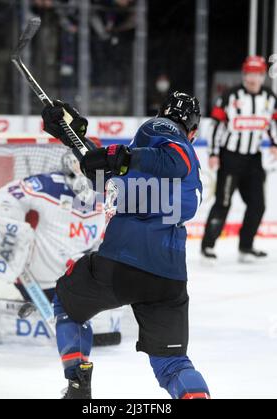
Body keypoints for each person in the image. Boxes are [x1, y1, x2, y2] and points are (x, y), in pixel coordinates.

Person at [42, 92, 210, 400]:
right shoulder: (190, 175)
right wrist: (73, 136)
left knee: (67, 303)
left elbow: (169, 160)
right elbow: (106, 174)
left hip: (122, 261)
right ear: (195, 131)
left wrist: (125, 156)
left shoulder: (160, 131)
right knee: (172, 363)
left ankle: (78, 386)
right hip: (168, 276)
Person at [0, 125, 122, 346]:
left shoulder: (109, 193)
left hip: (75, 277)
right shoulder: (47, 185)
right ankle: (33, 299)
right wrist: (12, 229)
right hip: (40, 277)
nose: (85, 174)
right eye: (81, 167)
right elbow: (5, 196)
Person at [202, 56, 277, 262]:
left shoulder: (270, 98)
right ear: (244, 75)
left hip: (253, 159)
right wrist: (214, 154)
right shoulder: (230, 96)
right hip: (230, 158)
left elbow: (273, 124)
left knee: (258, 205)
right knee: (223, 202)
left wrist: (275, 143)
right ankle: (207, 246)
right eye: (249, 74)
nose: (252, 78)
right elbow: (215, 126)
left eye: (257, 74)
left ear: (263, 77)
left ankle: (246, 246)